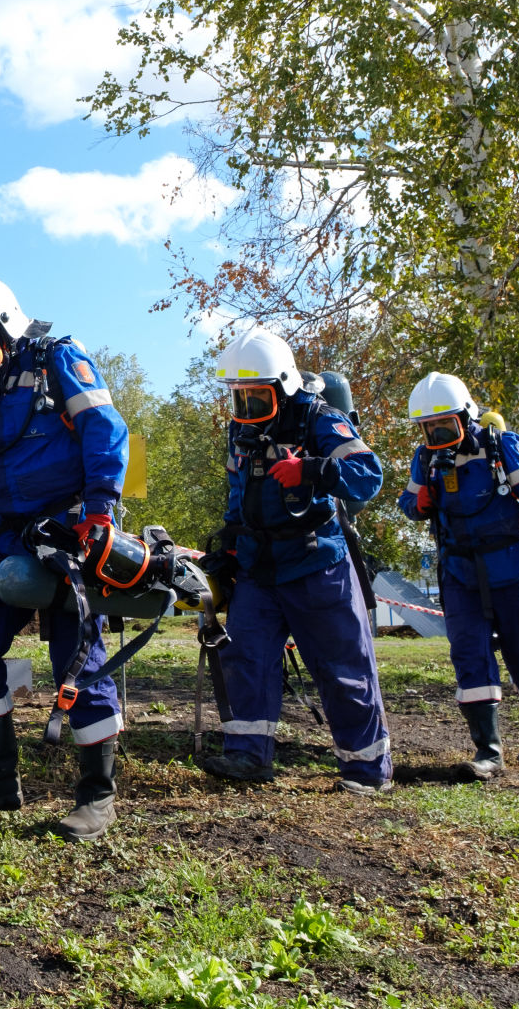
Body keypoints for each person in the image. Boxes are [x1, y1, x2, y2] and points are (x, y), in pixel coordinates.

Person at [0, 274, 129, 841]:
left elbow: (104, 428)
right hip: (8, 533)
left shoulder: (60, 361)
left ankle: (97, 794)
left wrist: (101, 510)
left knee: (75, 652)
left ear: (6, 332)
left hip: (72, 523)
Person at [201, 328, 392, 793]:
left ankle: (366, 770)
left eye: (256, 397)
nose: (245, 409)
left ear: (283, 387)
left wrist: (311, 469)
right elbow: (238, 493)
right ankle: (248, 756)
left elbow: (368, 476)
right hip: (257, 569)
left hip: (315, 564)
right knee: (245, 659)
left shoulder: (319, 419)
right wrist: (227, 547)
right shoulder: (240, 429)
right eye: (239, 397)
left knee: (342, 666)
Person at [396, 373, 519, 778]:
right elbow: (407, 502)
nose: (437, 434)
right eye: (428, 428)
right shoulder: (425, 458)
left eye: (444, 425)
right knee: (469, 654)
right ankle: (488, 753)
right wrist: (416, 503)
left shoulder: (502, 447)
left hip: (514, 568)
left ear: (466, 416)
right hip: (459, 572)